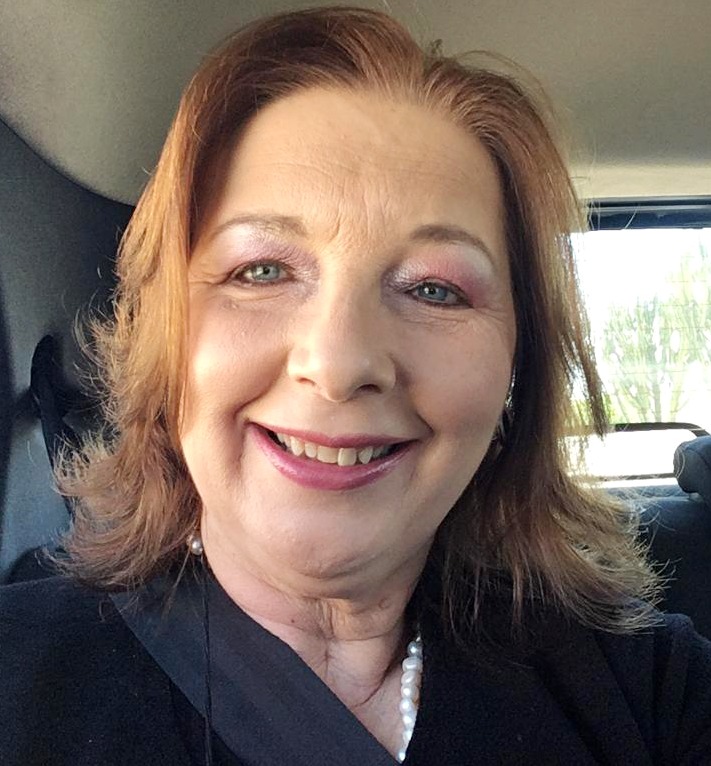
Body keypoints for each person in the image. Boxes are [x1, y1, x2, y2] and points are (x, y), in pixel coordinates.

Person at [2, 6, 711, 765]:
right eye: (261, 270)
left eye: (435, 289)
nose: (338, 364)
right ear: (163, 340)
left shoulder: (649, 688)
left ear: (517, 365)